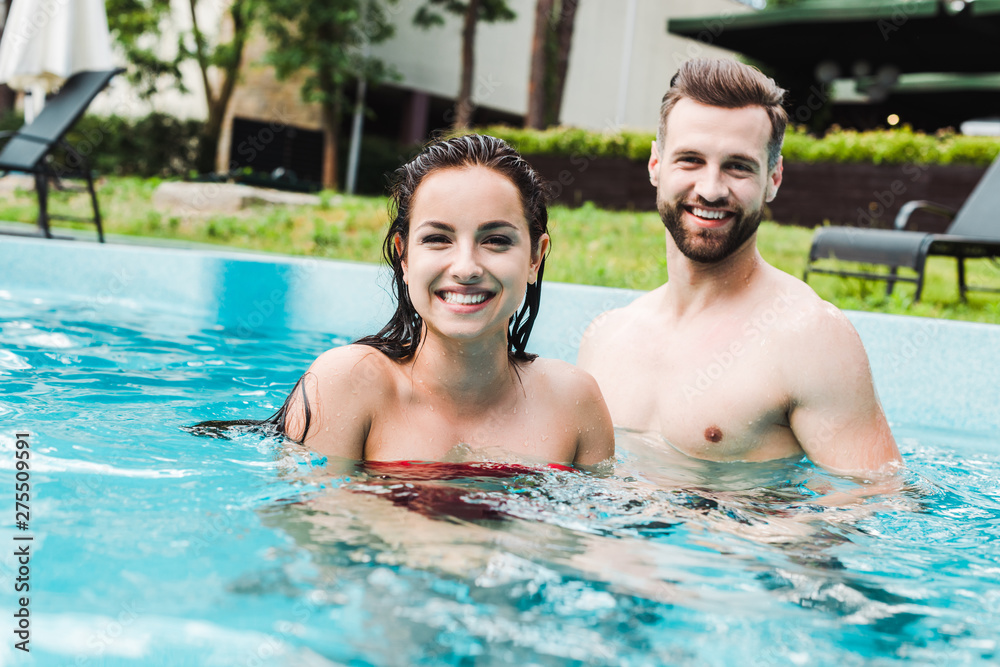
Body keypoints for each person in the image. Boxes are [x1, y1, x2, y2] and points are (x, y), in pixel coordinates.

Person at [577, 59, 901, 476]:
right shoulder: (606, 337)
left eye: (738, 166)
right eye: (690, 160)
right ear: (656, 165)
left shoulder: (811, 338)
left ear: (774, 178)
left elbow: (877, 502)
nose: (711, 190)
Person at [268, 135, 613, 467]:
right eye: (437, 238)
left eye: (495, 240)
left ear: (535, 258)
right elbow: (314, 522)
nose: (466, 268)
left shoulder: (573, 404)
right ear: (404, 258)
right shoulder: (348, 386)